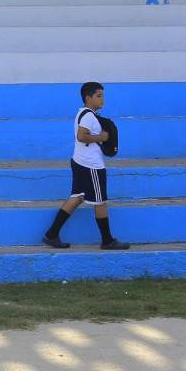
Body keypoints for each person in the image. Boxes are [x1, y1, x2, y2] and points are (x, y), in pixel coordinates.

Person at [42, 81, 130, 250]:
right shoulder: (89, 116)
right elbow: (81, 136)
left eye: (103, 95)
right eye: (98, 96)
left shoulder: (82, 113)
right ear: (88, 98)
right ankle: (107, 241)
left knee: (77, 197)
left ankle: (51, 234)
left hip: (79, 162)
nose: (102, 99)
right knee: (100, 201)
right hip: (91, 166)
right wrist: (102, 138)